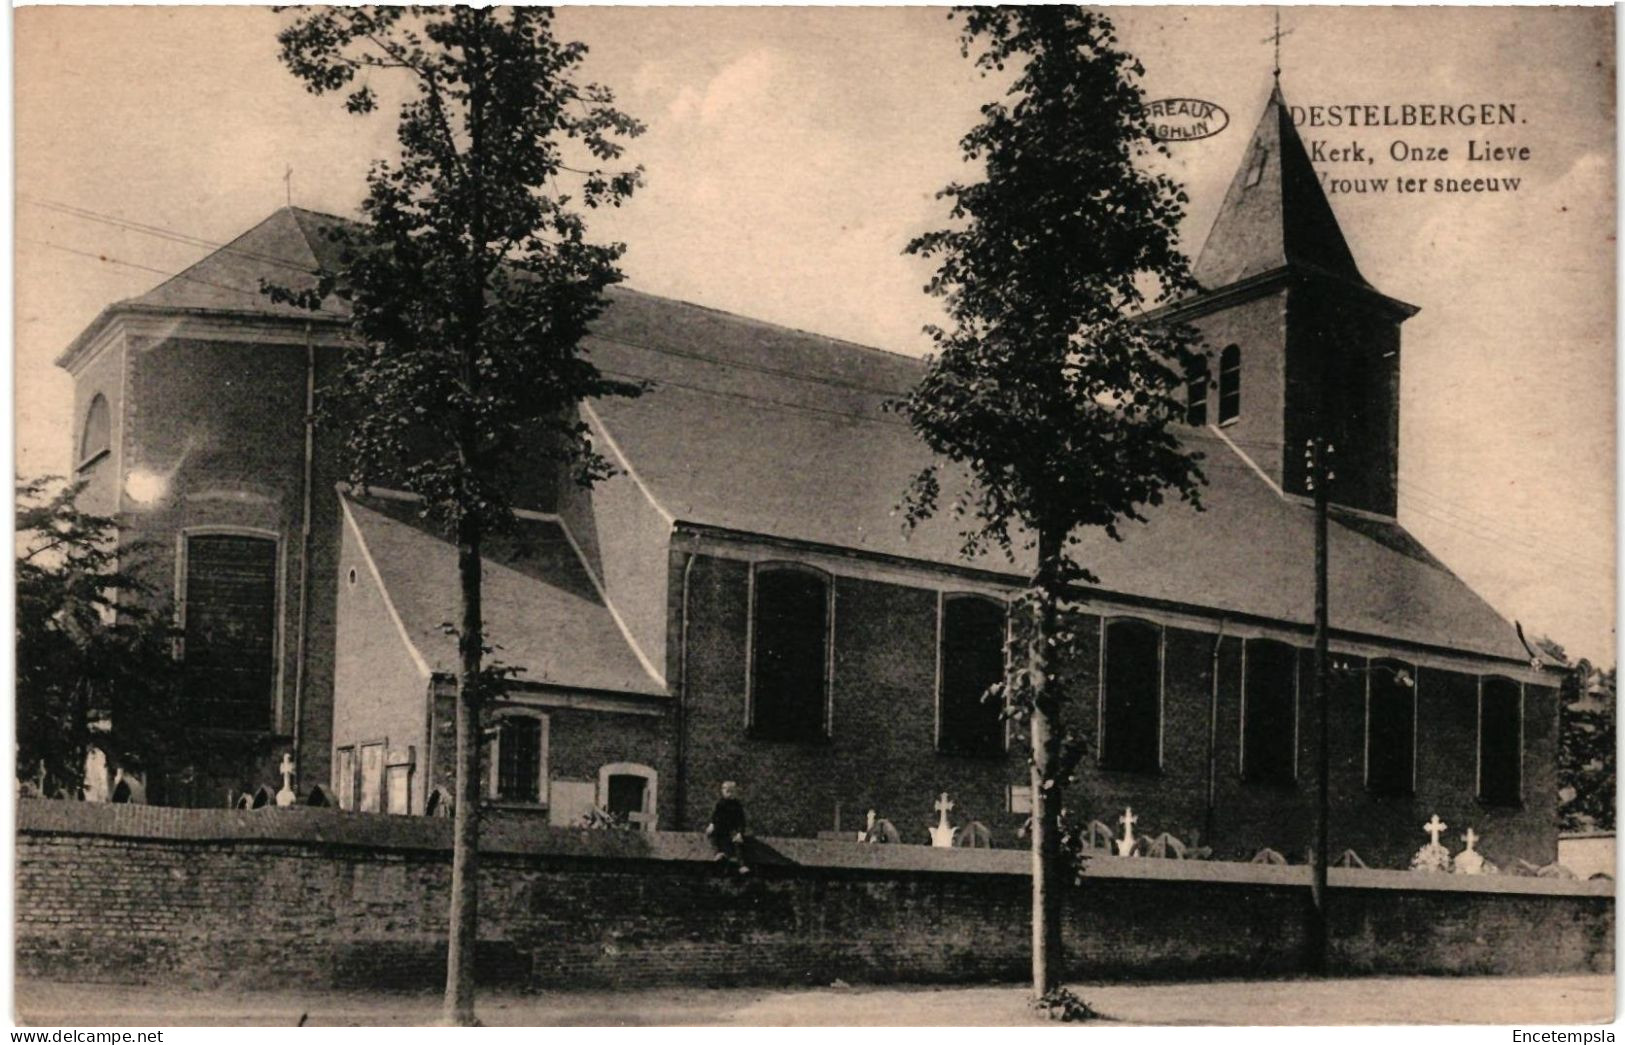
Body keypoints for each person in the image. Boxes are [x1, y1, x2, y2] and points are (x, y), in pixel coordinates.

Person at [705, 780, 749, 873]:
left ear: (735, 792)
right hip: (721, 828)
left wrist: (740, 833)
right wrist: (712, 824)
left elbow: (741, 820)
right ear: (722, 791)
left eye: (731, 791)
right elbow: (715, 816)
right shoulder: (720, 804)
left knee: (738, 843)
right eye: (726, 790)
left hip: (732, 829)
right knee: (712, 834)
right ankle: (718, 853)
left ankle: (742, 865)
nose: (729, 793)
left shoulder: (737, 805)